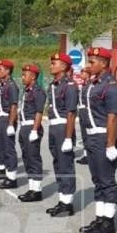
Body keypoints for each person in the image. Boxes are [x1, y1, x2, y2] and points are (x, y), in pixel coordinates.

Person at [80, 47, 117, 233]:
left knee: (106, 180)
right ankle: (100, 217)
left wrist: (110, 144)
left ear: (104, 64)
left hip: (104, 136)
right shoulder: (92, 84)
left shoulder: (111, 86)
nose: (88, 65)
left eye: (92, 62)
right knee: (97, 179)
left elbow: (113, 117)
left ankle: (109, 221)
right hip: (91, 137)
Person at [46, 53, 78, 217]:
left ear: (64, 66)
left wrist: (68, 137)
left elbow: (71, 113)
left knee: (65, 165)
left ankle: (68, 203)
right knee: (58, 163)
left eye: (54, 62)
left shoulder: (70, 85)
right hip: (53, 127)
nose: (51, 65)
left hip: (63, 127)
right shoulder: (53, 85)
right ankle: (62, 199)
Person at [17, 64, 46, 202]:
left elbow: (39, 112)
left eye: (25, 75)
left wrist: (35, 130)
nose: (23, 77)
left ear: (33, 76)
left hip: (31, 127)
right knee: (27, 158)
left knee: (33, 159)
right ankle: (31, 188)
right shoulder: (27, 91)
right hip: (24, 127)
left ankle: (37, 190)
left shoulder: (38, 92)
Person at [0, 59, 19, 189]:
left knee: (9, 149)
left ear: (7, 71)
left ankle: (12, 178)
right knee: (2, 147)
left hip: (7, 119)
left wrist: (10, 124)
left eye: (0, 69)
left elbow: (14, 106)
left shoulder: (11, 86)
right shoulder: (3, 85)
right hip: (1, 118)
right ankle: (7, 174)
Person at [76, 68, 91, 165]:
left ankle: (89, 155)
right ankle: (86, 155)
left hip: (86, 110)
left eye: (83, 72)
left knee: (88, 134)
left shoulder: (90, 85)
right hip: (81, 111)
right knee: (84, 134)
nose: (81, 74)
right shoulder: (83, 85)